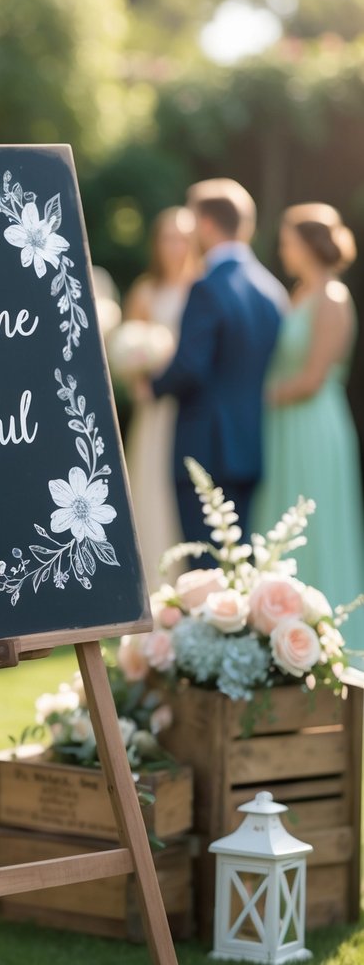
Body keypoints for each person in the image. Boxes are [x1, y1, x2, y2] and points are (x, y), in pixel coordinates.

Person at [142, 179, 288, 547]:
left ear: (206, 223)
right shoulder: (272, 290)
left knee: (206, 568)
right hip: (253, 444)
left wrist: (154, 385)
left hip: (204, 446)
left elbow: (191, 365)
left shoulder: (206, 286)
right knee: (238, 565)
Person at [252, 205, 364, 650]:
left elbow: (314, 377)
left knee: (315, 528)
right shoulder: (298, 292)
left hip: (314, 425)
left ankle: (328, 638)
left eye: (288, 241)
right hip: (284, 426)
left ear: (307, 244)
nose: (284, 250)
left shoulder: (332, 298)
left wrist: (254, 397)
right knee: (280, 520)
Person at [122, 207, 196, 585]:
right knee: (150, 489)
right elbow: (126, 348)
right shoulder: (144, 290)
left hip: (189, 407)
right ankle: (151, 581)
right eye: (169, 237)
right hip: (154, 409)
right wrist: (137, 373)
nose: (176, 246)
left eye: (184, 237)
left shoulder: (201, 287)